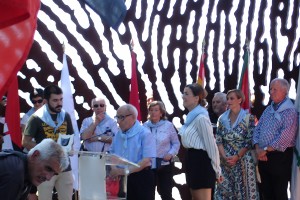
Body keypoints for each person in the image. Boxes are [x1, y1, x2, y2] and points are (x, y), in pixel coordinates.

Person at [22, 84, 74, 200]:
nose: (59, 103)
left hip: (65, 167)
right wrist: (46, 151)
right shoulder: (36, 118)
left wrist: (69, 148)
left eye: (61, 99)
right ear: (46, 101)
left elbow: (70, 137)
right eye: (55, 100)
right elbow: (25, 142)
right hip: (45, 168)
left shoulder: (65, 116)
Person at [253, 78, 298, 200]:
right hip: (263, 156)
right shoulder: (269, 109)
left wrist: (265, 150)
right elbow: (258, 128)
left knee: (279, 193)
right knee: (266, 192)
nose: (271, 92)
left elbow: (286, 136)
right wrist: (257, 148)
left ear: (285, 91)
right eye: (270, 89)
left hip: (279, 157)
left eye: (275, 89)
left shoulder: (290, 111)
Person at [179, 83, 222, 200]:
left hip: (201, 162)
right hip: (192, 160)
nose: (183, 96)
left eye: (186, 93)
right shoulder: (191, 117)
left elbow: (211, 145)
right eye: (183, 93)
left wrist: (217, 170)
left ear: (196, 98)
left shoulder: (201, 118)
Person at [214, 89, 259, 199]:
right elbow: (218, 140)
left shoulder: (249, 118)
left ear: (240, 100)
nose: (228, 101)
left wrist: (237, 156)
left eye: (232, 98)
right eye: (228, 99)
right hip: (225, 163)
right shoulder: (221, 118)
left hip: (244, 162)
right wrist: (224, 157)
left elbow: (249, 141)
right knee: (224, 194)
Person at [109, 104, 156, 200]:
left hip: (141, 178)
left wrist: (124, 171)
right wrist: (114, 168)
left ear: (133, 117)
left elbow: (146, 160)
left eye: (121, 117)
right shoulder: (118, 134)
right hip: (121, 178)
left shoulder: (145, 133)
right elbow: (111, 153)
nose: (118, 121)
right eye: (117, 117)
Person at [0, 138, 69, 200]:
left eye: (54, 174)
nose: (48, 178)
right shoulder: (15, 172)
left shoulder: (25, 171)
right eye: (48, 169)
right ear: (35, 155)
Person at [143, 100, 180, 200]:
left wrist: (170, 154)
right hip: (149, 164)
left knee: (165, 193)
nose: (153, 112)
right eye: (151, 110)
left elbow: (176, 143)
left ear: (161, 112)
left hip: (165, 163)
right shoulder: (144, 126)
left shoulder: (168, 125)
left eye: (156, 110)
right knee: (148, 193)